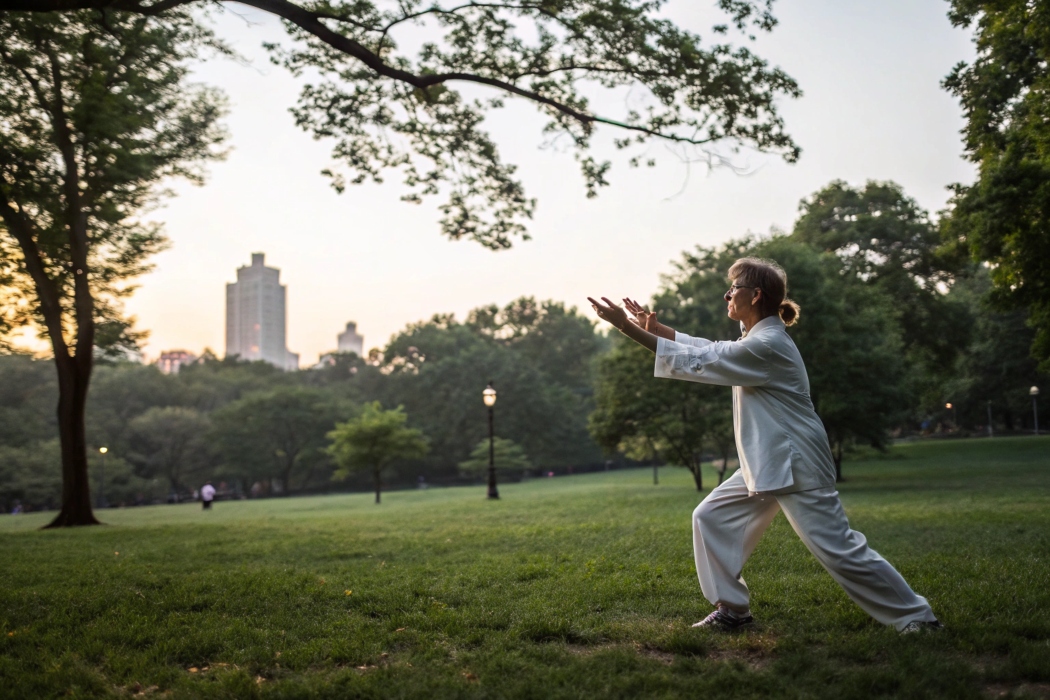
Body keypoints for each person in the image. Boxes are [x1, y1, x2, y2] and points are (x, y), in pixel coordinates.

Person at [588, 257, 942, 634]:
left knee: (838, 549)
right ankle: (733, 611)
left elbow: (704, 360)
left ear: (755, 295)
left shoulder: (769, 344)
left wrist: (626, 328)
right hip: (767, 459)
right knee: (711, 517)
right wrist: (660, 331)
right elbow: (711, 349)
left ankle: (917, 617)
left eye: (733, 288)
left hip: (796, 461)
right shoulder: (757, 340)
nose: (727, 294)